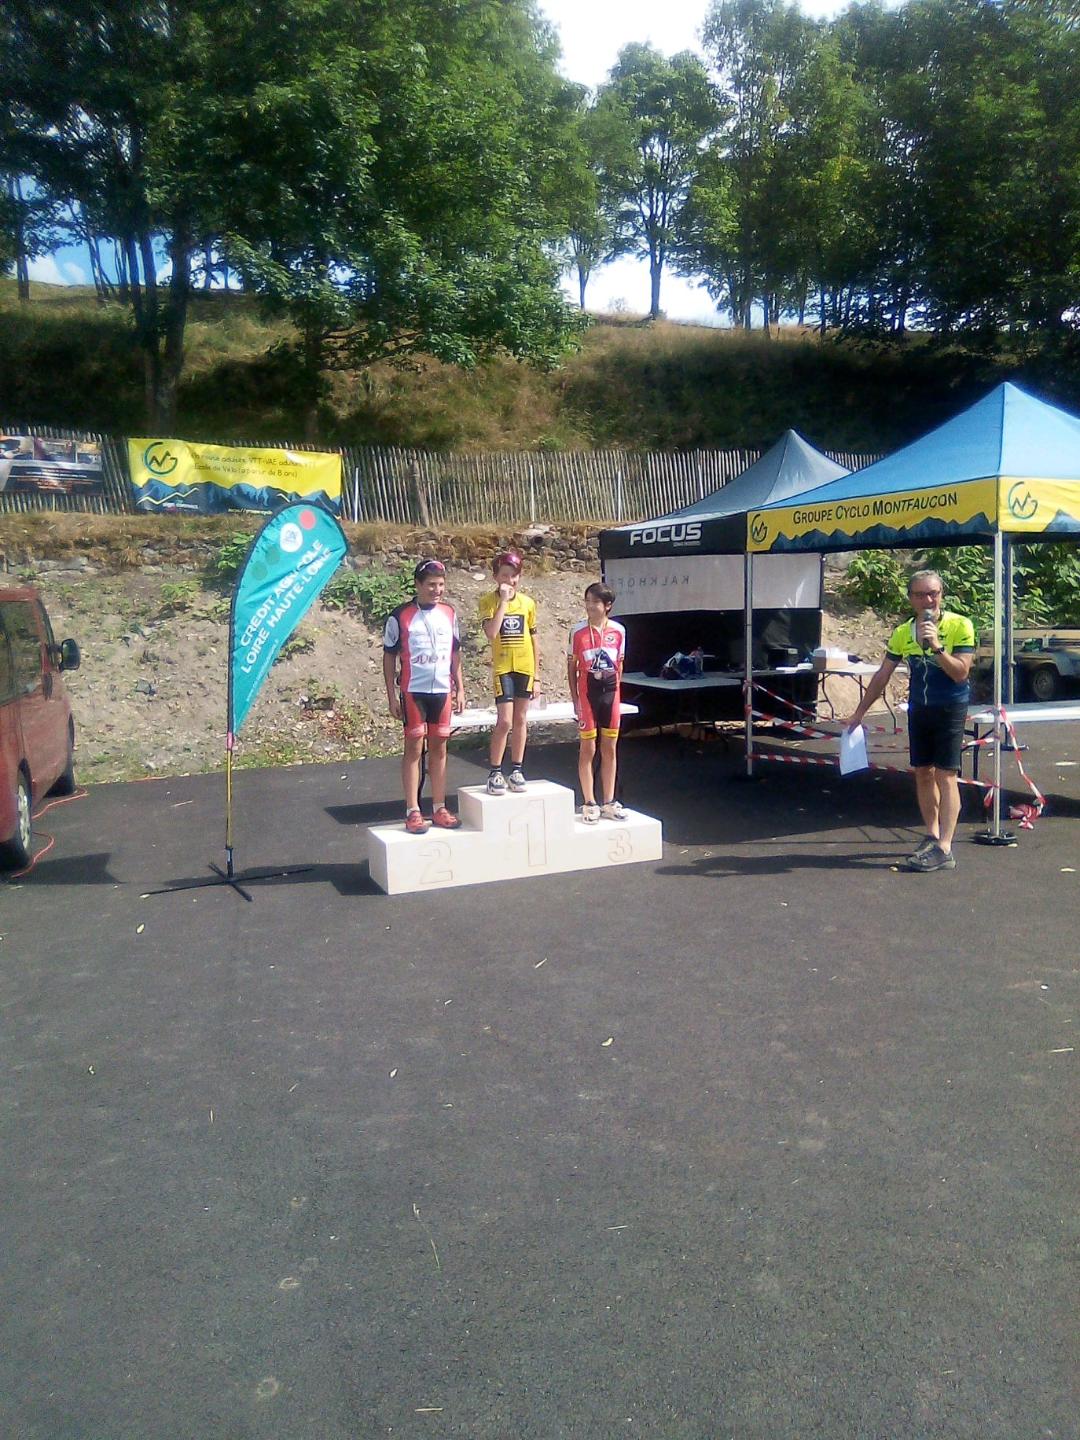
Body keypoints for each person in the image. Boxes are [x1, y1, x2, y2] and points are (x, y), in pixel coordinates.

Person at [845, 568, 975, 872]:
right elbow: (882, 675)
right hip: (919, 708)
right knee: (922, 772)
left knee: (946, 775)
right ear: (911, 598)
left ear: (942, 594)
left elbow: (960, 673)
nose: (928, 600)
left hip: (950, 707)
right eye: (920, 595)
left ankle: (945, 846)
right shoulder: (903, 631)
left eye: (933, 593)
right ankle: (931, 835)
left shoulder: (960, 625)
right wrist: (859, 712)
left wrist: (936, 647)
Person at [382, 559, 466, 834]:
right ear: (417, 585)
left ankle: (439, 807)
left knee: (440, 748)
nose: (437, 590)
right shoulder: (401, 615)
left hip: (442, 690)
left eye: (441, 584)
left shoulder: (449, 613)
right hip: (413, 690)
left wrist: (460, 688)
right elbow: (389, 656)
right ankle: (413, 810)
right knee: (414, 748)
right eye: (431, 584)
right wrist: (392, 697)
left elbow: (455, 654)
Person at [477, 551, 540, 795]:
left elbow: (534, 639)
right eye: (505, 575)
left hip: (524, 667)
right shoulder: (487, 602)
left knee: (521, 719)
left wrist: (537, 676)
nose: (510, 580)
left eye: (514, 576)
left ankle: (516, 769)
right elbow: (491, 633)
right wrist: (503, 602)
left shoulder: (528, 603)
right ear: (495, 577)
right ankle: (494, 771)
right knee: (504, 721)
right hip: (503, 668)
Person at [567, 582, 627, 824]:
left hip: (611, 694)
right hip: (586, 694)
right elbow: (571, 668)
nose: (590, 606)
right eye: (587, 601)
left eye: (595, 602)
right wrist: (575, 699)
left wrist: (617, 694)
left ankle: (609, 801)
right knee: (588, 749)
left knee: (610, 748)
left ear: (607, 605)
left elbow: (620, 665)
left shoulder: (619, 631)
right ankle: (589, 801)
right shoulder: (577, 631)